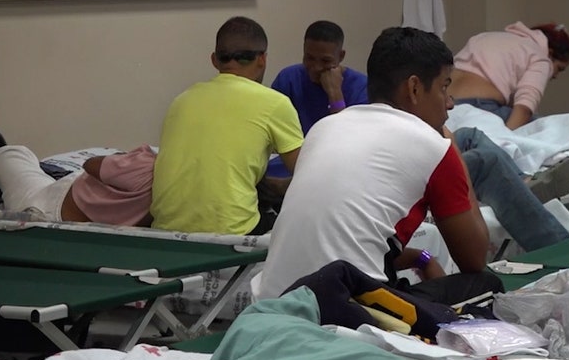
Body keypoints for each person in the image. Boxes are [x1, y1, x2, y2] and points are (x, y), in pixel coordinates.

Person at [255, 26, 504, 305]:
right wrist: (450, 145)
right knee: (487, 284)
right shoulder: (433, 147)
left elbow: (347, 241)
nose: (450, 103)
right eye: (444, 87)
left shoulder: (323, 129)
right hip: (347, 311)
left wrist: (422, 257)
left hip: (273, 302)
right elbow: (474, 258)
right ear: (414, 88)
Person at [150, 16, 303, 236]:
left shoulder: (181, 100)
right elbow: (306, 172)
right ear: (262, 59)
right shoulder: (275, 103)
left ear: (214, 60)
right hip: (233, 232)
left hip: (167, 231)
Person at [449, 22, 569, 130]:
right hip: (482, 108)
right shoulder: (540, 58)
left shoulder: (484, 37)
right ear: (550, 54)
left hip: (446, 106)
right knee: (548, 127)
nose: (555, 76)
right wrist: (507, 139)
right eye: (559, 69)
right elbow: (525, 107)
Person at [0, 145, 155, 226]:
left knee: (12, 155)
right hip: (70, 195)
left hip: (50, 208)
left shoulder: (147, 165)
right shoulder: (176, 193)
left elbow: (90, 164)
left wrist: (126, 157)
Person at [271, 20, 369, 135]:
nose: (316, 67)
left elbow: (348, 137)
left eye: (325, 61)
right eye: (310, 58)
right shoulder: (288, 79)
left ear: (341, 56)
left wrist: (335, 95)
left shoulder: (361, 87)